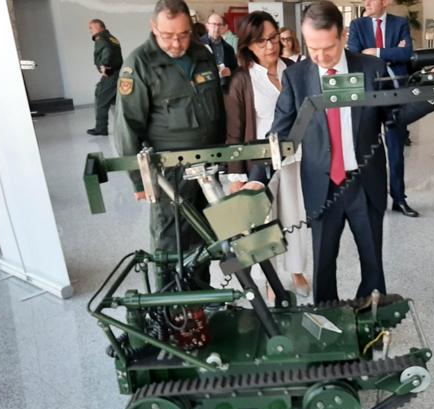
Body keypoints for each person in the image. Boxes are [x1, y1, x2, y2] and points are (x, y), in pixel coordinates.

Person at [271, 1, 434, 303]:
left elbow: (394, 116)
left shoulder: (371, 68)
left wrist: (432, 94)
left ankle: (371, 322)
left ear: (343, 35)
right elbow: (280, 133)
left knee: (372, 261)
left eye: (329, 48)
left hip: (365, 182)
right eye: (313, 49)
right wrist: (255, 176)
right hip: (322, 186)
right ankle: (329, 323)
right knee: (324, 264)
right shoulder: (296, 77)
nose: (321, 57)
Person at [114, 0, 226, 287]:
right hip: (169, 173)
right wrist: (140, 182)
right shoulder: (139, 63)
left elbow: (218, 108)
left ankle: (201, 295)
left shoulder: (202, 54)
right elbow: (128, 126)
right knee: (171, 240)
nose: (177, 43)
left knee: (206, 235)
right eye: (168, 35)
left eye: (184, 34)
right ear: (154, 27)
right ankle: (169, 304)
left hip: (208, 166)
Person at [223, 11, 311, 299]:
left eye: (273, 38)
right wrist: (236, 175)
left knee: (295, 217)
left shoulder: (295, 70)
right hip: (259, 164)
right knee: (264, 225)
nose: (271, 46)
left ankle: (297, 270)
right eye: (261, 42)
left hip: (294, 159)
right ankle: (271, 282)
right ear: (248, 45)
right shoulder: (243, 80)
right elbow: (234, 132)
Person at [347, 0, 419, 217]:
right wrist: (391, 52)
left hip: (396, 94)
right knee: (369, 151)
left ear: (385, 2)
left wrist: (376, 51)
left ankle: (399, 199)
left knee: (396, 150)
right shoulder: (357, 25)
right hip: (368, 94)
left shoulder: (400, 23)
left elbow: (407, 55)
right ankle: (372, 200)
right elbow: (354, 56)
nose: (366, 3)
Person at [87, 19, 122, 136]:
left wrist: (104, 65)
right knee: (116, 101)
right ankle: (126, 127)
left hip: (110, 73)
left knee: (101, 100)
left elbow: (107, 50)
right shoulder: (112, 38)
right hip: (118, 73)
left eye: (91, 28)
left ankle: (101, 128)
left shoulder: (101, 38)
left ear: (98, 27)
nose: (90, 31)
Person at [201, 13, 238, 90]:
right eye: (214, 24)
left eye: (219, 25)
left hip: (224, 88)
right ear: (207, 26)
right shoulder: (199, 45)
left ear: (223, 27)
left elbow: (235, 68)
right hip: (206, 89)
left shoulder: (228, 48)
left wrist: (230, 71)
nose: (217, 28)